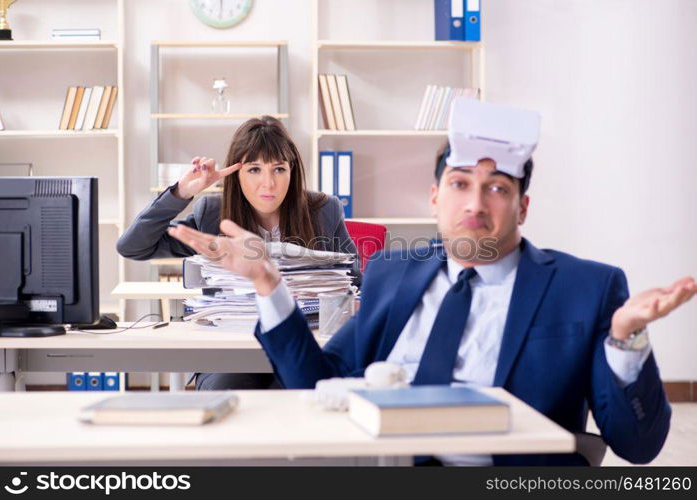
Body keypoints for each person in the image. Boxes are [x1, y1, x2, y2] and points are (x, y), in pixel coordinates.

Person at [167, 104, 695, 466]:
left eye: (497, 188)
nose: (475, 203)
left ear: (523, 207)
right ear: (434, 199)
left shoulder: (587, 289)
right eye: (460, 184)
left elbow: (639, 446)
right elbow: (315, 383)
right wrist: (267, 285)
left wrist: (626, 343)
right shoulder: (393, 277)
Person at [117, 115, 360, 390]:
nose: (268, 183)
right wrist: (182, 192)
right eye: (254, 169)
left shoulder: (323, 211)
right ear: (237, 173)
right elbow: (133, 247)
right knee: (226, 393)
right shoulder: (212, 214)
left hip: (300, 343)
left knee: (302, 394)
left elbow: (355, 284)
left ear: (292, 171)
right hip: (230, 350)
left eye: (278, 169)